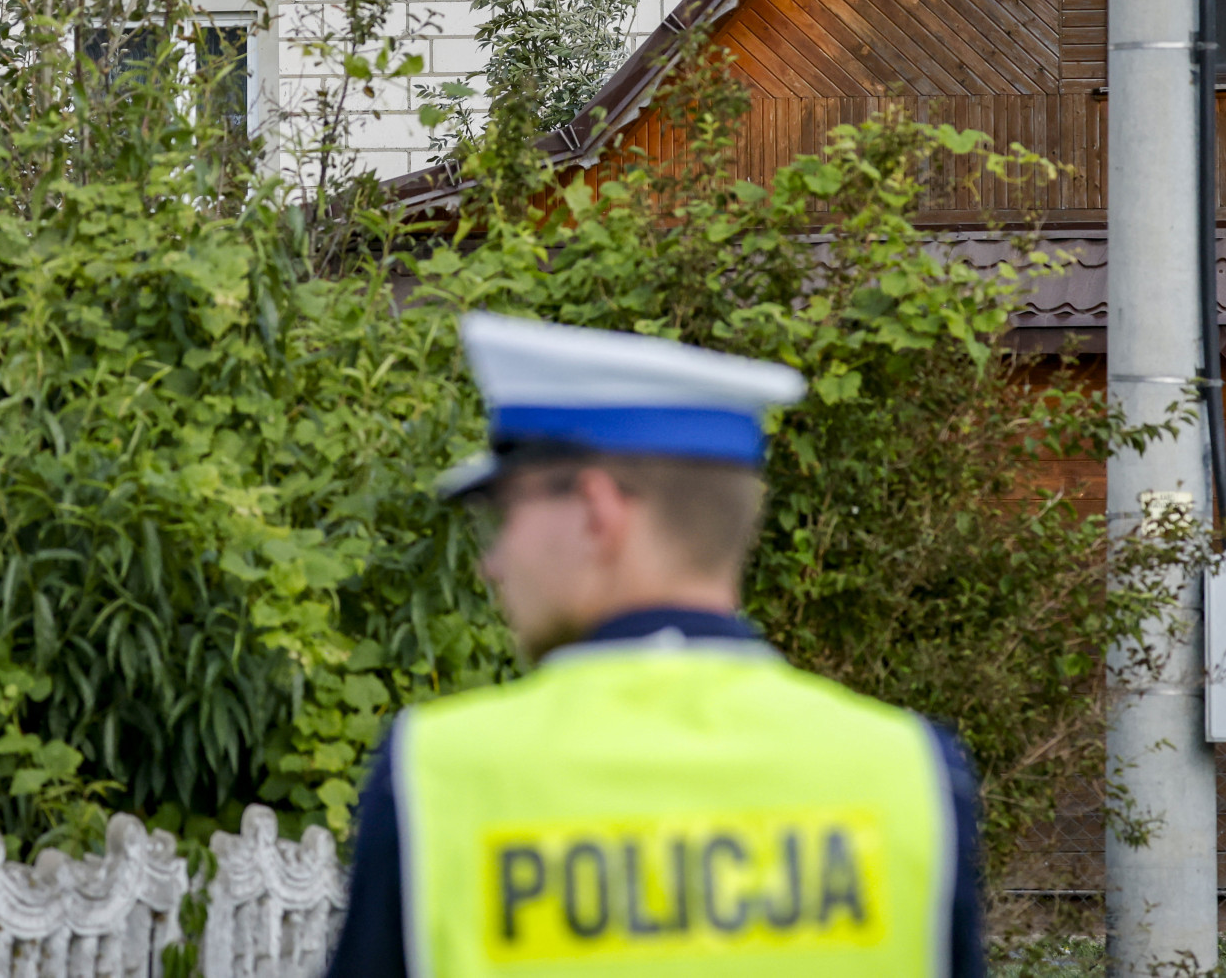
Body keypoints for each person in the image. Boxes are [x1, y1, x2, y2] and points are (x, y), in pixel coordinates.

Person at [323, 314, 986, 978]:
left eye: (506, 513)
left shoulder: (439, 771)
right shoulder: (910, 772)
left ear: (596, 510)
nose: (492, 562)